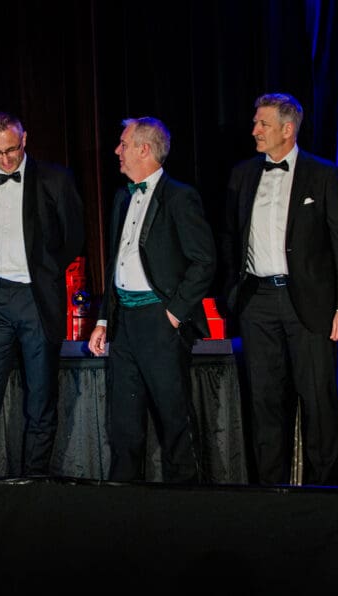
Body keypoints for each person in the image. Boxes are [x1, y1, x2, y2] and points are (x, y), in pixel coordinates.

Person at [221, 93, 338, 486]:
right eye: (254, 123)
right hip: (257, 302)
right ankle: (270, 496)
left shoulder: (324, 174)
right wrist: (236, 293)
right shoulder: (243, 174)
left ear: (287, 128)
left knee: (318, 404)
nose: (254, 131)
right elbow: (230, 237)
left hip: (310, 305)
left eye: (262, 123)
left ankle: (323, 496)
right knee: (264, 403)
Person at [0, 112, 84, 477]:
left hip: (36, 301)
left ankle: (33, 484)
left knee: (40, 400)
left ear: (24, 139)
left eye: (12, 149)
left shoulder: (56, 179)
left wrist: (46, 272)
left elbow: (74, 238)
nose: (6, 160)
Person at [87, 117, 215, 483]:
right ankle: (124, 506)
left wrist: (174, 314)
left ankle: (184, 507)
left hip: (160, 321)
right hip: (125, 322)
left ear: (144, 149)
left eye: (123, 144)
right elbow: (116, 261)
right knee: (125, 423)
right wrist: (103, 319)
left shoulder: (179, 196)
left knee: (174, 421)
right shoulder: (121, 197)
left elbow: (204, 260)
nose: (117, 151)